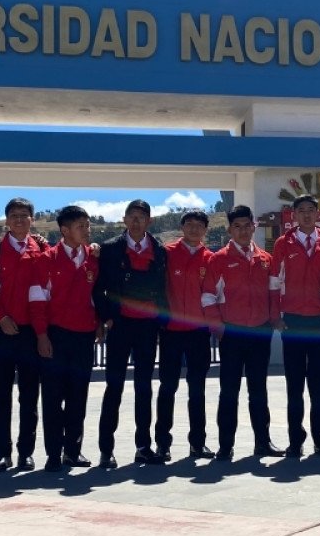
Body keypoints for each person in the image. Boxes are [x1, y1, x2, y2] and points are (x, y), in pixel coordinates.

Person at [202, 205, 282, 461]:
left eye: (247, 225)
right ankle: (225, 446)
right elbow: (207, 297)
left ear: (253, 227)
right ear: (230, 230)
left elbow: (274, 292)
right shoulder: (218, 260)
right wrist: (219, 327)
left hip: (260, 332)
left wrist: (273, 320)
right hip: (232, 334)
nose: (243, 230)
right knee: (229, 391)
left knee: (259, 389)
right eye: (237, 226)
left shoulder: (265, 259)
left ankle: (263, 442)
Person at [93, 199, 168, 468]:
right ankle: (106, 449)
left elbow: (163, 289)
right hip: (120, 326)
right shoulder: (110, 249)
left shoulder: (159, 250)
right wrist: (107, 318)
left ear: (149, 221)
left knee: (144, 388)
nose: (136, 221)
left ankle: (143, 446)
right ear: (124, 219)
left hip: (147, 327)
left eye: (141, 217)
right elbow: (98, 289)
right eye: (131, 216)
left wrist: (161, 320)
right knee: (114, 387)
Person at [270, 195, 320, 458]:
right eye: (302, 211)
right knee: (295, 384)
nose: (307, 215)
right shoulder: (283, 243)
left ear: (318, 213)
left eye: (311, 210)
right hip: (293, 322)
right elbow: (274, 282)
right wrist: (275, 314)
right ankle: (295, 440)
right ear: (294, 215)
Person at [32, 205, 102, 471]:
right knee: (52, 397)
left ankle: (73, 451)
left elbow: (96, 296)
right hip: (55, 336)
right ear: (64, 230)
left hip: (83, 337)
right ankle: (53, 453)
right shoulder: (46, 259)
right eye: (81, 226)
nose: (87, 230)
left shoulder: (92, 258)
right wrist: (41, 335)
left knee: (78, 396)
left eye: (87, 225)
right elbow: (37, 300)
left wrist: (98, 325)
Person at [0, 198, 45, 472]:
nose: (19, 220)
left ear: (32, 220)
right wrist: (0, 317)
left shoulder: (44, 249)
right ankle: (2, 452)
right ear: (6, 219)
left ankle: (26, 452)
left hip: (31, 333)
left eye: (24, 215)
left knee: (29, 395)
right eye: (14, 215)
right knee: (1, 395)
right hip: (2, 331)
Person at [156, 209, 215, 460]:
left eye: (199, 225)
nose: (194, 229)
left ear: (205, 230)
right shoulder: (166, 254)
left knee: (197, 389)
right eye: (189, 224)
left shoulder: (211, 258)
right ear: (182, 227)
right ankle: (162, 443)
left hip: (198, 333)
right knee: (167, 388)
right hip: (170, 332)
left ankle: (198, 443)